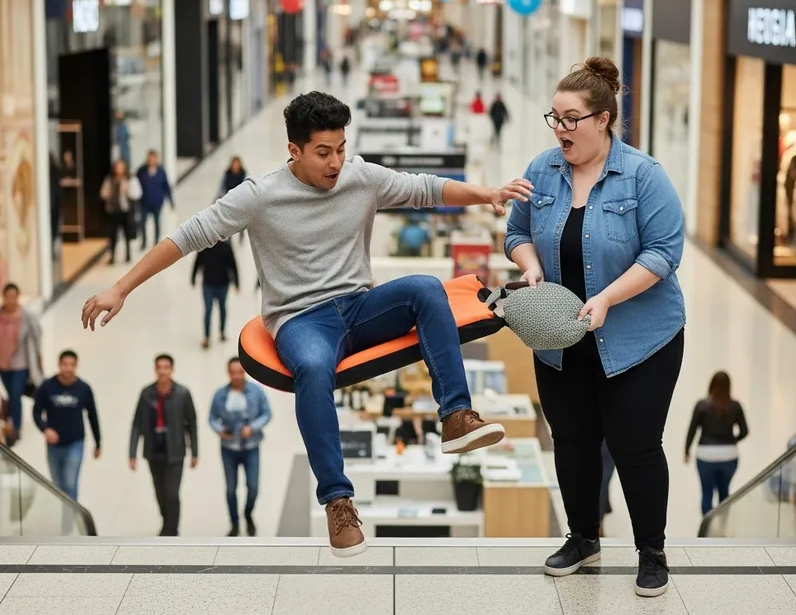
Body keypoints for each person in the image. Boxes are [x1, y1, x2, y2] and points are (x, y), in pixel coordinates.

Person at [82, 90, 531, 558]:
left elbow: (425, 188)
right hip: (300, 320)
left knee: (425, 287)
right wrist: (121, 287)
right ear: (294, 150)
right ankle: (338, 501)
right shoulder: (259, 196)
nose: (336, 162)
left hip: (360, 307)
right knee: (315, 370)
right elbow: (186, 236)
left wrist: (487, 194)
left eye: (340, 148)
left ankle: (456, 416)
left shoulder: (360, 177)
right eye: (323, 152)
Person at [505, 57, 685, 598]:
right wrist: (530, 266)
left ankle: (651, 552)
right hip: (562, 339)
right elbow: (516, 231)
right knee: (572, 442)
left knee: (635, 445)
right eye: (553, 118)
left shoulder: (643, 175)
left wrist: (606, 298)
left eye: (570, 119)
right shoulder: (542, 171)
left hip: (638, 339)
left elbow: (665, 252)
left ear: (603, 119)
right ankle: (582, 537)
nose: (559, 129)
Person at [129, 354, 198, 537]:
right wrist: (132, 453)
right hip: (154, 449)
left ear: (171, 369)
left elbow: (192, 423)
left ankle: (170, 531)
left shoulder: (182, 393)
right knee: (160, 492)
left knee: (172, 493)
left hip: (175, 450)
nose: (162, 371)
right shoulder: (146, 393)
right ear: (155, 369)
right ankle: (167, 523)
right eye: (159, 367)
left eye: (166, 367)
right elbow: (137, 423)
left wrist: (195, 452)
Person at [33, 350, 101, 525]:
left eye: (72, 365)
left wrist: (98, 441)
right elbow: (36, 412)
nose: (68, 368)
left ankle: (70, 522)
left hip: (75, 443)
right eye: (65, 364)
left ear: (76, 366)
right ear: (59, 365)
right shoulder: (47, 386)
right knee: (58, 484)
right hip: (54, 446)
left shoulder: (83, 389)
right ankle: (62, 515)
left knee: (70, 483)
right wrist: (45, 429)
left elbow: (92, 415)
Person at [209, 357, 271, 537]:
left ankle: (248, 513)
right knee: (230, 488)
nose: (236, 376)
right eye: (232, 372)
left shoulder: (256, 391)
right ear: (228, 373)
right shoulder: (220, 395)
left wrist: (253, 427)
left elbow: (267, 413)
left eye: (239, 372)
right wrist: (220, 430)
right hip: (229, 448)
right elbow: (212, 417)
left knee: (253, 486)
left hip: (251, 446)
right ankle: (234, 522)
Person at [685, 371, 748, 516]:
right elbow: (744, 431)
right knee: (724, 492)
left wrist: (686, 450)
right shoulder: (735, 406)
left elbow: (692, 430)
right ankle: (722, 527)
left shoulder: (701, 405)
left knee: (706, 494)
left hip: (705, 455)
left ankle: (707, 531)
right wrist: (732, 441)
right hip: (729, 456)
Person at [0, 282, 42, 446]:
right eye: (7, 296)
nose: (10, 300)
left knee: (16, 396)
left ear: (17, 296)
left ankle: (15, 429)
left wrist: (39, 360)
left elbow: (37, 337)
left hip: (20, 364)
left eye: (13, 296)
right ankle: (11, 423)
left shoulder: (26, 316)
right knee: (11, 396)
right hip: (3, 365)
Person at [192, 239, 239, 348]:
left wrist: (237, 282)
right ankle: (206, 337)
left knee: (222, 308)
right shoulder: (204, 246)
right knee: (208, 310)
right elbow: (198, 262)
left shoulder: (226, 247)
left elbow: (232, 264)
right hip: (208, 284)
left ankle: (222, 331)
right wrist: (193, 277)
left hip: (222, 283)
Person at [101, 159, 142, 265]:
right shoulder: (110, 179)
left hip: (126, 210)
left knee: (127, 233)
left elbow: (137, 193)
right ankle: (112, 255)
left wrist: (127, 191)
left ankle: (128, 254)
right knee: (113, 235)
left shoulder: (130, 179)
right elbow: (103, 193)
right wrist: (107, 193)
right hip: (113, 210)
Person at [136, 151, 174, 250]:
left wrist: (171, 201)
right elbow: (135, 186)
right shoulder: (141, 171)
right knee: (142, 222)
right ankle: (143, 241)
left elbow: (166, 186)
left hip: (157, 202)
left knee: (157, 223)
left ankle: (156, 242)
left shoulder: (161, 171)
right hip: (144, 202)